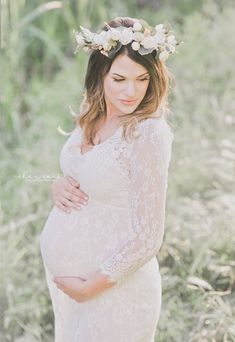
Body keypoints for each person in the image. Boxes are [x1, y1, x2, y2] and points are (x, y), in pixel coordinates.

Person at [39, 16, 179, 342]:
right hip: (72, 294)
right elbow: (87, 173)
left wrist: (91, 287)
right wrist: (58, 184)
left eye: (142, 79)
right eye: (119, 78)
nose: (131, 91)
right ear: (100, 73)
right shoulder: (95, 111)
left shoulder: (148, 133)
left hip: (114, 294)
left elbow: (148, 238)